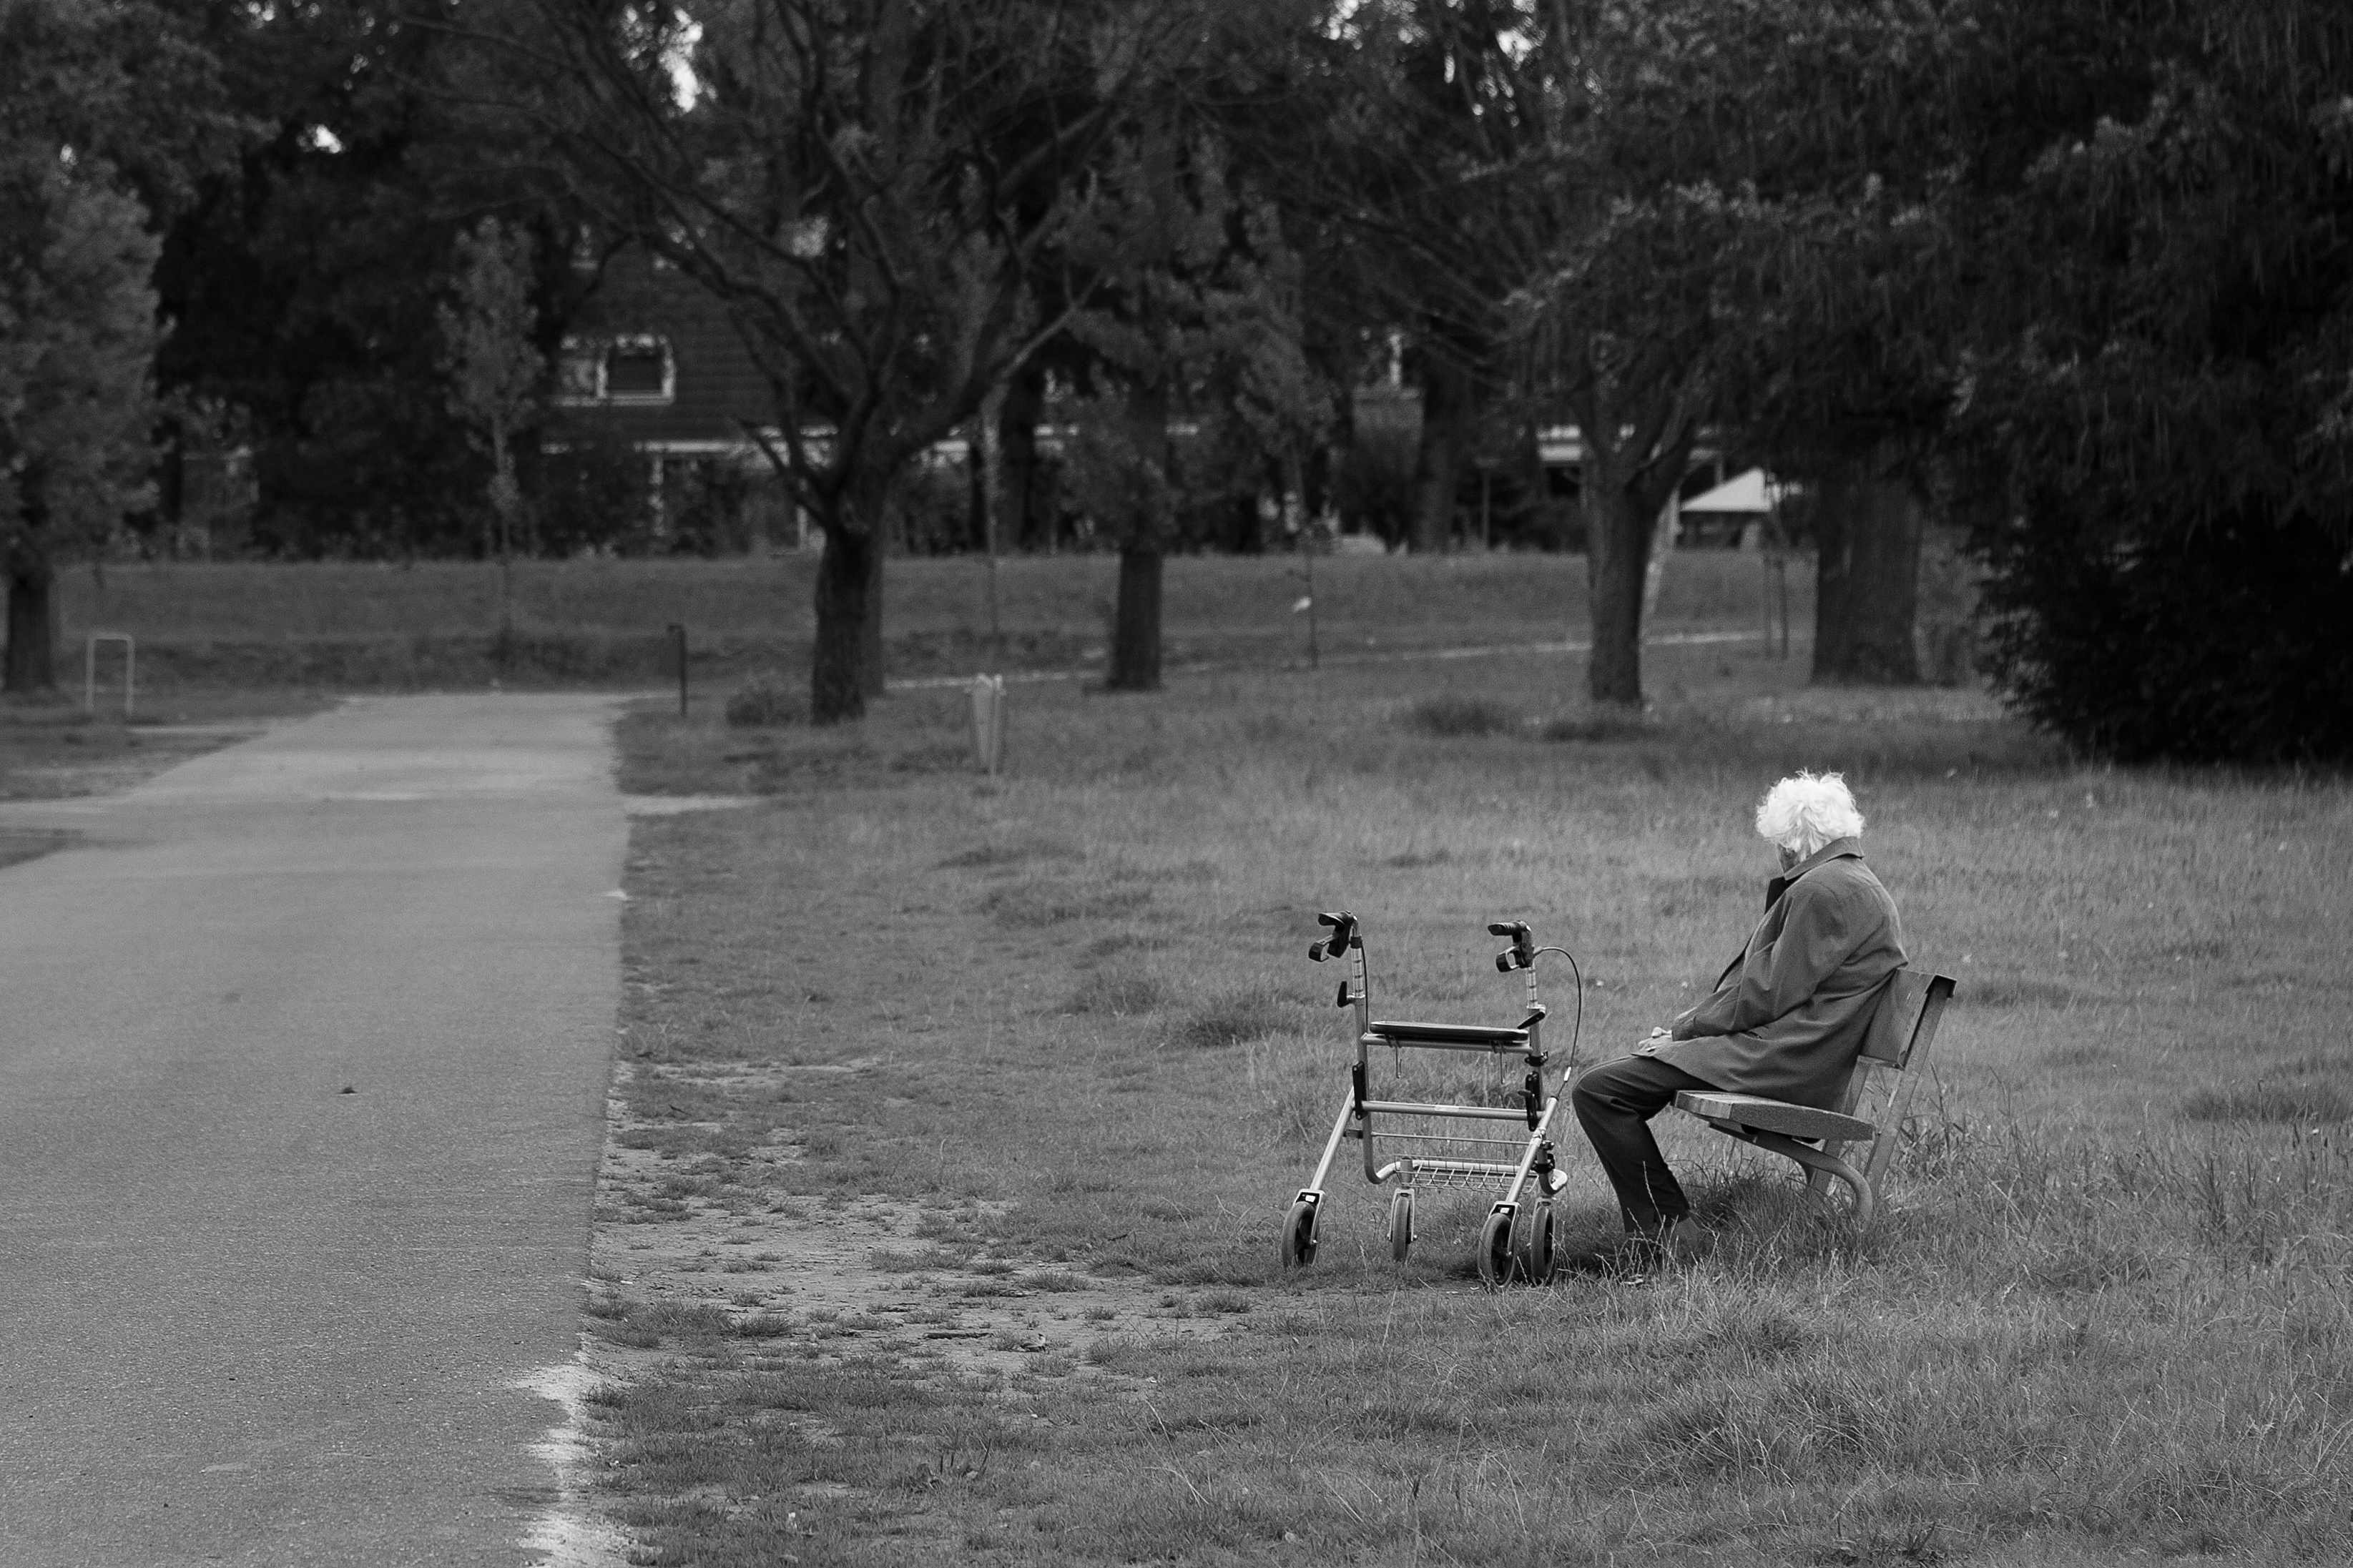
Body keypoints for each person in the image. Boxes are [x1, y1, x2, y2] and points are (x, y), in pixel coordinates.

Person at [1569, 771, 1906, 1263]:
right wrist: (1688, 1037)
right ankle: (1667, 1231)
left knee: (1601, 1092)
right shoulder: (1848, 881)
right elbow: (1773, 989)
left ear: (1791, 845)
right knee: (1611, 1086)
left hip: (1787, 1060)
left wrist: (1684, 1032)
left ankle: (1672, 1239)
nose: (1777, 855)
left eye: (1777, 845)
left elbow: (1765, 992)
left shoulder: (1824, 890)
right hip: (1799, 1051)